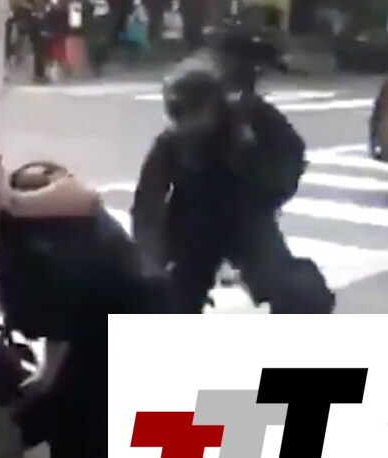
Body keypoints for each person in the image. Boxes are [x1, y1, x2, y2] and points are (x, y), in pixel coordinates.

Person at [0, 160, 168, 458]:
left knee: (69, 402)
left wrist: (48, 378)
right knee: (76, 399)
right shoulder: (68, 229)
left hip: (126, 317)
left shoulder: (51, 242)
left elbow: (63, 320)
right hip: (126, 310)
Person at [131, 55, 333, 315]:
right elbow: (147, 205)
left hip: (247, 221)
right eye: (180, 113)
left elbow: (292, 155)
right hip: (193, 226)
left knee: (300, 291)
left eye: (196, 110)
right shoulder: (171, 143)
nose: (190, 122)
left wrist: (266, 186)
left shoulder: (251, 118)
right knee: (161, 299)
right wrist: (150, 260)